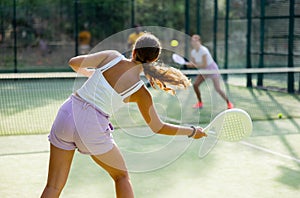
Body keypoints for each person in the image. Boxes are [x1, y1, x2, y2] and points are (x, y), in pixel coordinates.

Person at [41, 33, 207, 198]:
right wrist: (192, 131)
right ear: (153, 61)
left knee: (53, 187)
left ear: (134, 51)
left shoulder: (111, 56)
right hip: (92, 126)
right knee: (121, 177)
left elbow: (74, 62)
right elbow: (158, 127)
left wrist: (91, 74)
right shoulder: (141, 93)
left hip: (67, 112)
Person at [185, 34, 234, 109]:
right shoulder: (193, 52)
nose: (193, 43)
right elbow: (193, 63)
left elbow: (204, 64)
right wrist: (189, 64)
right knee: (195, 85)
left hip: (212, 69)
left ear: (199, 42)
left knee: (217, 88)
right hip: (203, 70)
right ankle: (200, 103)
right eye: (192, 41)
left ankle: (229, 103)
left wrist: (193, 65)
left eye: (195, 41)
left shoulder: (203, 50)